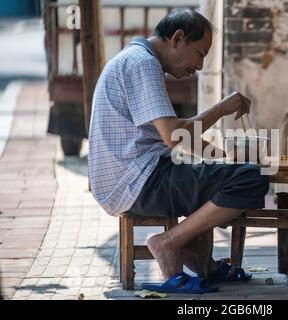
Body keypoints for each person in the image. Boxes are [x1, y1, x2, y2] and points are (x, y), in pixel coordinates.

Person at [88, 9, 269, 292]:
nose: (199, 66)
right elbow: (174, 136)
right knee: (251, 177)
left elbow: (176, 136)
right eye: (200, 53)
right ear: (178, 38)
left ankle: (195, 265)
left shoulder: (138, 60)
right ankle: (169, 243)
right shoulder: (142, 64)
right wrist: (221, 109)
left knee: (224, 175)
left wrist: (221, 159)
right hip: (136, 182)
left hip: (134, 178)